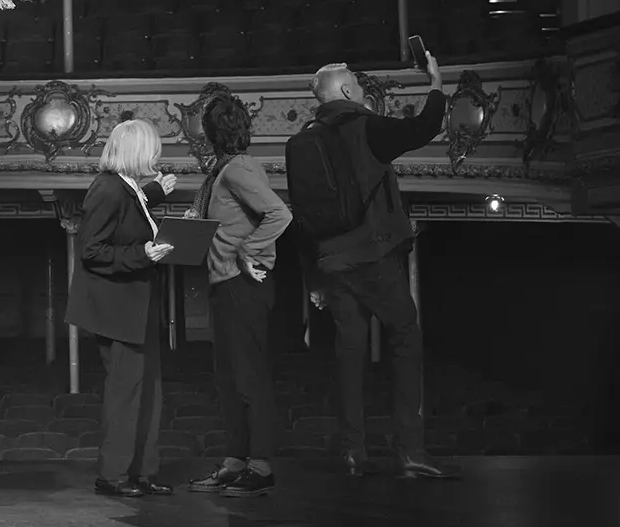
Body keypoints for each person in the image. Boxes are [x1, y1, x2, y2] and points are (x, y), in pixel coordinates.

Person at [286, 55, 459, 480]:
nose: (363, 94)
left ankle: (352, 451)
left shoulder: (302, 141)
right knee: (405, 333)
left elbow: (301, 218)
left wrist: (314, 278)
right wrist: (436, 84)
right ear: (346, 93)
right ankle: (410, 448)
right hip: (371, 254)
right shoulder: (366, 127)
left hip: (331, 262)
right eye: (358, 88)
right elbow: (424, 127)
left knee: (350, 348)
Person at [66, 118, 180, 499]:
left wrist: (154, 195)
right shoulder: (107, 188)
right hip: (116, 308)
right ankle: (112, 475)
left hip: (137, 303)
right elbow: (92, 251)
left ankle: (142, 472)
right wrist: (142, 254)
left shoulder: (128, 187)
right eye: (151, 147)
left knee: (149, 390)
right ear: (136, 151)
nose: (156, 154)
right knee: (126, 392)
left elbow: (132, 211)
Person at [185, 94, 292, 497]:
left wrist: (248, 251)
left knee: (249, 377)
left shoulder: (238, 169)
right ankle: (236, 461)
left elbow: (280, 213)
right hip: (225, 283)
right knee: (229, 379)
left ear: (211, 134)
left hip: (243, 284)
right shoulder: (223, 170)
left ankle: (260, 466)